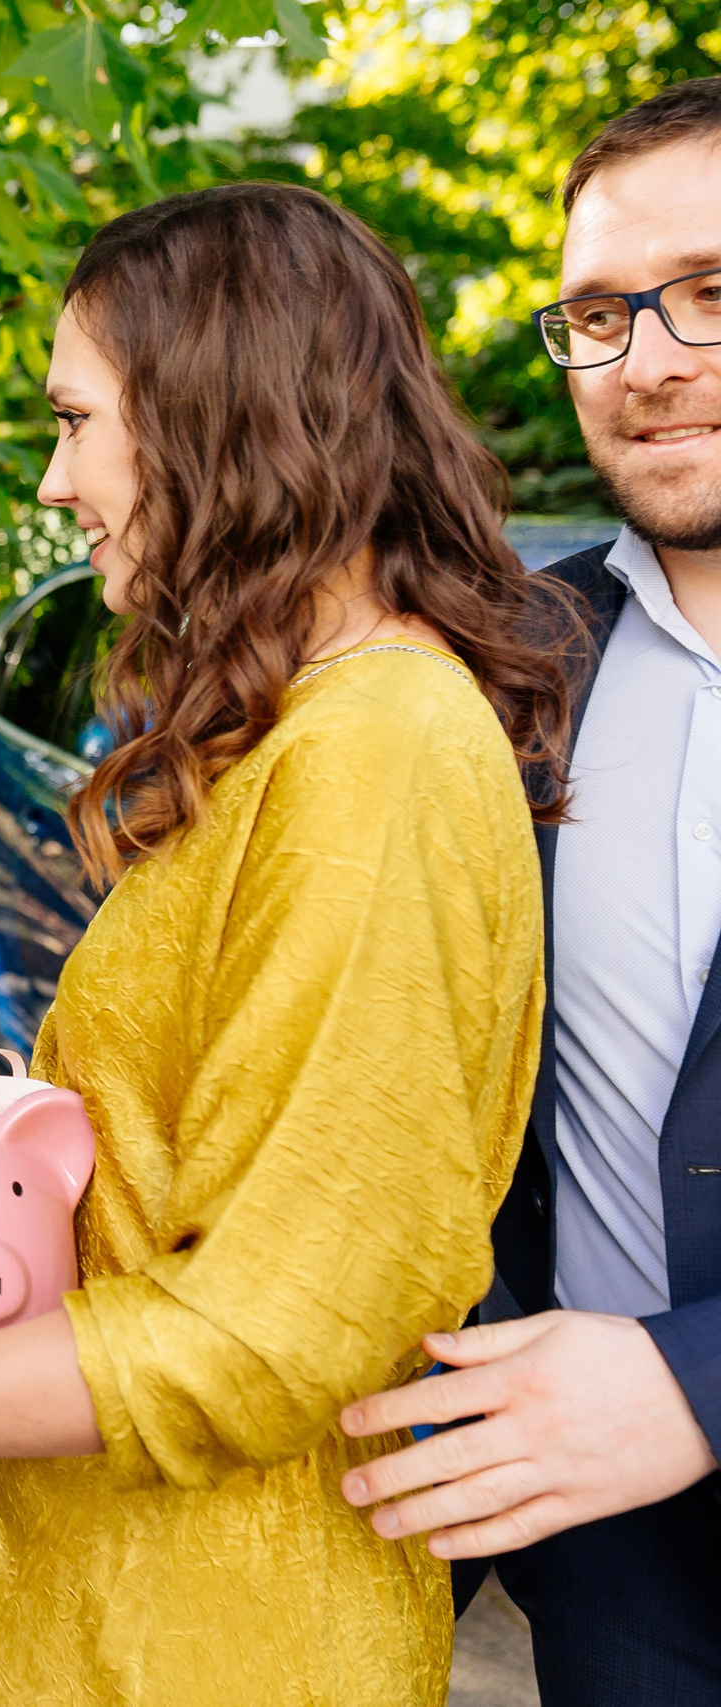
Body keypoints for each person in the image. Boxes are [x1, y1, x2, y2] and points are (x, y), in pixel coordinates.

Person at [0, 181, 578, 1704]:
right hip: (111, 1599)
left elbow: (275, 1326)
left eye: (73, 422)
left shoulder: (379, 756)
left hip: (217, 1632)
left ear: (214, 415)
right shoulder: (310, 724)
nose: (54, 481)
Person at [340, 81, 721, 1702]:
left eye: (711, 292)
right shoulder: (506, 664)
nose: (647, 361)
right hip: (613, 1573)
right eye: (599, 314)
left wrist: (699, 1381)